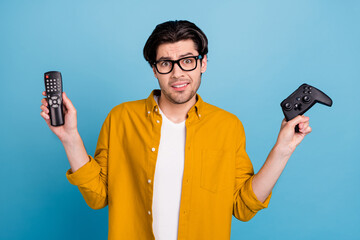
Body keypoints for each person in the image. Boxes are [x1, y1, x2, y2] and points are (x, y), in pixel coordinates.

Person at [40, 20, 311, 240]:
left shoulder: (228, 126)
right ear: (155, 70)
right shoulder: (121, 118)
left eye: (188, 60)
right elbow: (98, 197)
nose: (178, 73)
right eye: (166, 63)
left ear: (203, 63)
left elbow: (242, 206)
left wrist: (283, 150)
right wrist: (70, 137)